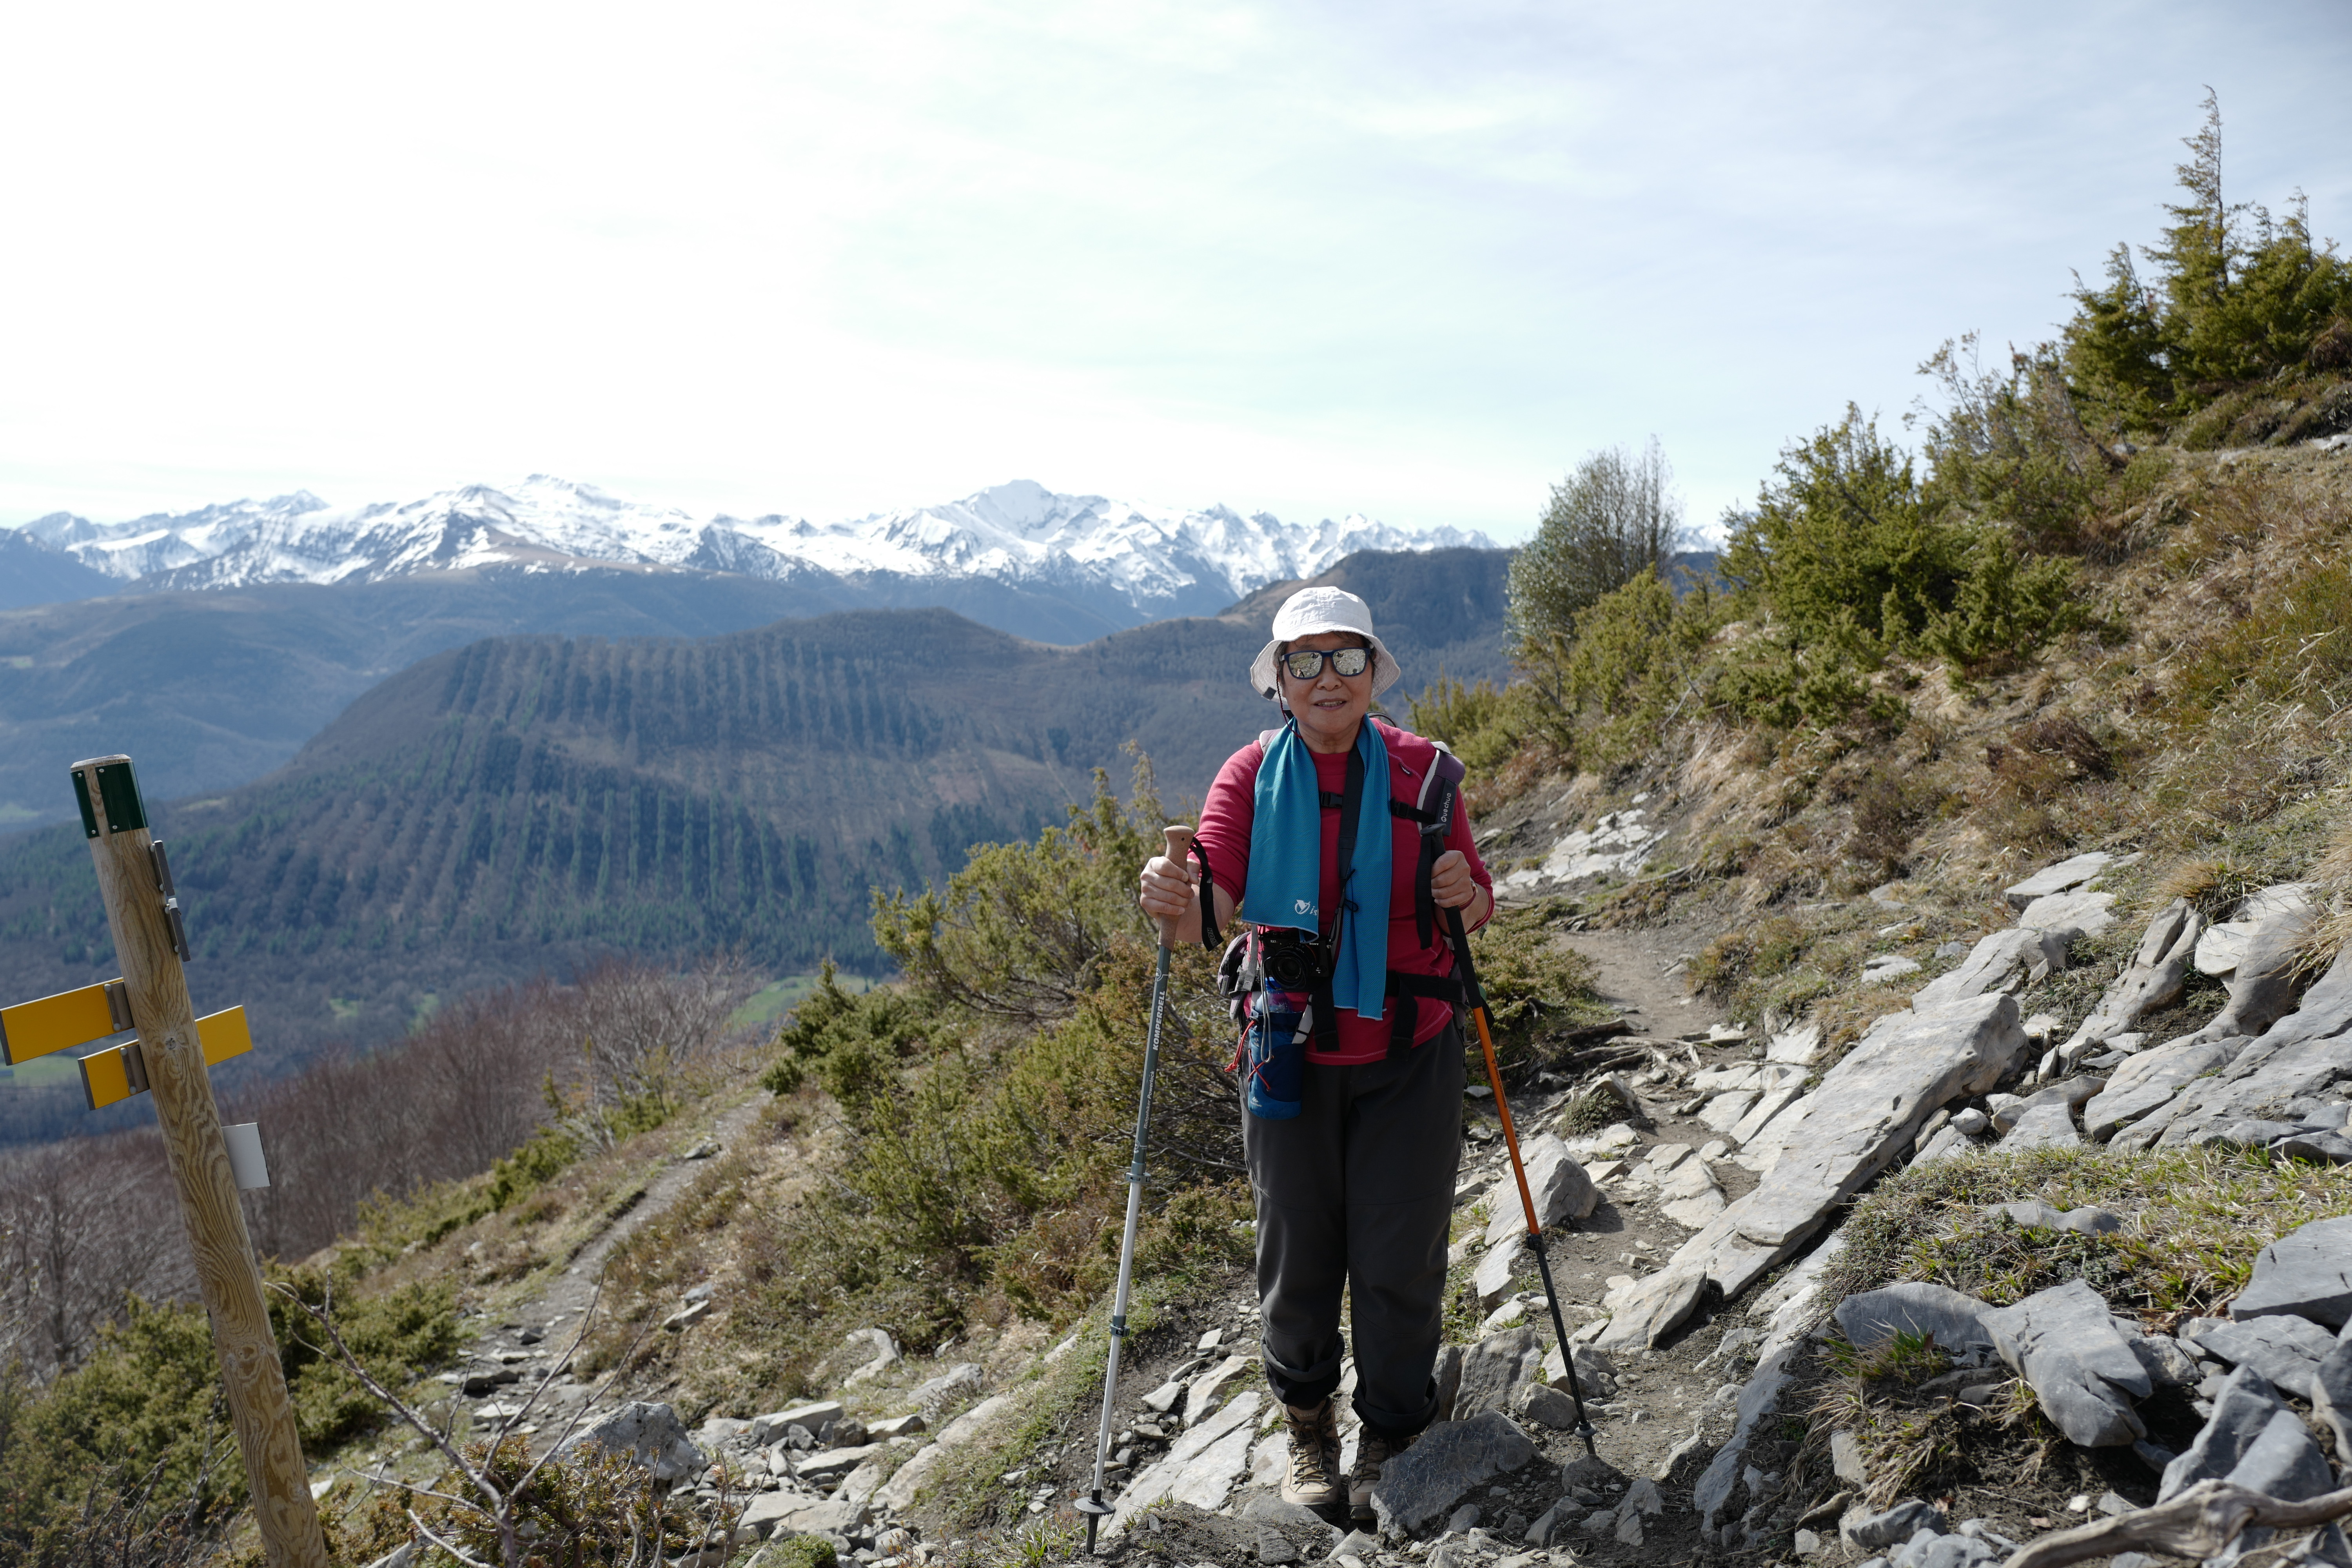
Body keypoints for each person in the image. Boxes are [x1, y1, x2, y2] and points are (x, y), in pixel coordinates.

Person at [1137, 586, 1493, 1519]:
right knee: (1297, 1254)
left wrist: (1464, 885)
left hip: (1409, 1046)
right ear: (1279, 681)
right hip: (1287, 1052)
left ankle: (1392, 1430)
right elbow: (1211, 903)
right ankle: (1308, 1428)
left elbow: (1476, 896)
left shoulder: (1427, 776)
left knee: (1398, 1252)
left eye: (1346, 657)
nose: (1327, 677)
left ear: (1375, 671)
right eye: (1305, 660)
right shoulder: (1249, 778)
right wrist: (1174, 897)